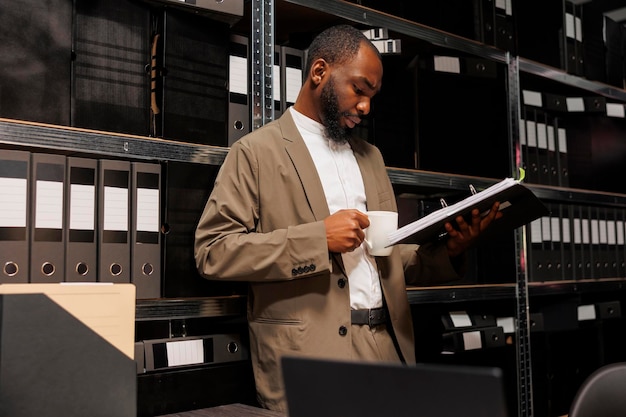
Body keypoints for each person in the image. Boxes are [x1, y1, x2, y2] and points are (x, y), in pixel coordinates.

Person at [194, 24, 501, 412]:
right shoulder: (255, 153)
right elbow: (214, 252)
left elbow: (383, 258)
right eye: (359, 89)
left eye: (372, 96)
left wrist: (450, 251)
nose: (366, 107)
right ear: (319, 72)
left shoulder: (371, 158)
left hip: (385, 346)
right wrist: (317, 239)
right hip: (308, 355)